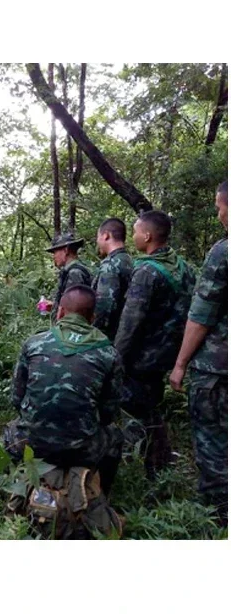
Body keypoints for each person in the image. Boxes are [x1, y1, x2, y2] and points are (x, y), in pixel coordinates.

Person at [5, 285, 123, 496]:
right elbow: (109, 413)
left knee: (10, 432)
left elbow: (16, 398)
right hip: (82, 450)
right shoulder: (109, 354)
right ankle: (101, 496)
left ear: (59, 312)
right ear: (92, 317)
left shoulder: (33, 344)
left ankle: (13, 489)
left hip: (31, 444)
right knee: (115, 437)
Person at [115, 210, 195, 477]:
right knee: (151, 404)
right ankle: (161, 460)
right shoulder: (182, 266)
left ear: (147, 236)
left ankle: (138, 468)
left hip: (143, 357)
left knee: (133, 410)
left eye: (136, 231)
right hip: (170, 354)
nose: (134, 235)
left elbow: (130, 323)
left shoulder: (146, 272)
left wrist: (116, 359)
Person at [170, 180, 228, 525]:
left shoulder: (223, 252)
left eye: (220, 206)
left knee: (213, 439)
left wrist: (180, 364)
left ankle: (217, 516)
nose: (218, 213)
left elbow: (202, 314)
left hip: (218, 368)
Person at [92, 218, 133, 341]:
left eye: (98, 237)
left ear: (106, 236)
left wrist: (93, 334)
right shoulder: (130, 260)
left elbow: (104, 307)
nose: (97, 241)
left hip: (109, 337)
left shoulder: (110, 265)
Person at [42, 232, 92, 321]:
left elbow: (74, 309)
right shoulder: (69, 272)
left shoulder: (75, 273)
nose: (54, 256)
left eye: (55, 252)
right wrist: (54, 306)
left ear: (66, 250)